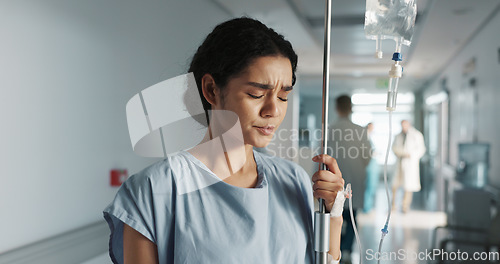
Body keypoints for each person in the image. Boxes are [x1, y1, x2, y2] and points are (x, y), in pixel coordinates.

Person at [103, 17, 344, 264]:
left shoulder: (294, 180)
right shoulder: (153, 190)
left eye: (283, 97)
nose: (273, 109)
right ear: (211, 90)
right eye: (257, 94)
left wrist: (333, 217)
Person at [327, 95, 371, 263]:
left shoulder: (330, 129)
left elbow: (322, 157)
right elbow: (367, 157)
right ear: (350, 108)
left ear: (337, 108)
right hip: (354, 179)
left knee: (335, 214)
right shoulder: (360, 130)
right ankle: (346, 249)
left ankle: (335, 248)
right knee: (352, 215)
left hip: (335, 180)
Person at [391, 120, 426, 213]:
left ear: (409, 125)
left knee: (408, 186)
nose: (403, 127)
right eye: (402, 125)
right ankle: (393, 205)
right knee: (394, 185)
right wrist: (401, 153)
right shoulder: (398, 136)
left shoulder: (416, 135)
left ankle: (405, 206)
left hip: (410, 163)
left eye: (405, 125)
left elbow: (421, 150)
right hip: (399, 163)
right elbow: (394, 148)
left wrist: (410, 154)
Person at [363, 122, 380, 213]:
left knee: (372, 186)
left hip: (373, 164)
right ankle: (366, 207)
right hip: (368, 165)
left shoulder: (370, 138)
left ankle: (369, 206)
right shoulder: (364, 137)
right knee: (368, 186)